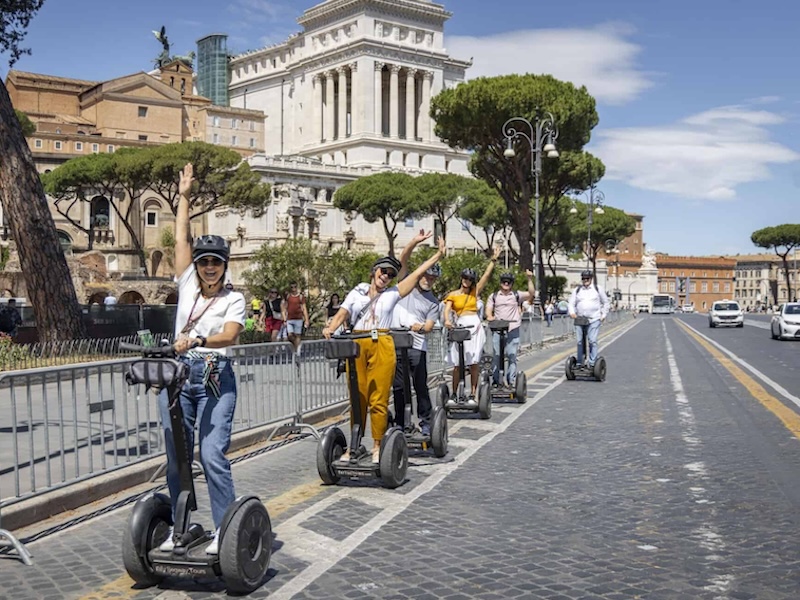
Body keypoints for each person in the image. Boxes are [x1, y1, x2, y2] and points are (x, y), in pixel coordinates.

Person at [158, 162, 246, 555]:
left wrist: (196, 338)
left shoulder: (234, 298)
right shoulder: (189, 284)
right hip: (178, 376)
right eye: (203, 261)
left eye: (215, 261)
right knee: (176, 455)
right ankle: (181, 525)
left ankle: (224, 529)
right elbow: (181, 239)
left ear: (225, 266)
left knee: (211, 454)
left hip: (213, 374)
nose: (208, 266)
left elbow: (229, 335)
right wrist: (185, 196)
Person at [323, 236, 446, 463]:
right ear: (374, 271)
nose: (386, 277)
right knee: (357, 399)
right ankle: (354, 446)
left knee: (378, 400)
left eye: (390, 274)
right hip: (357, 345)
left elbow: (417, 274)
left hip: (382, 342)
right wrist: (330, 327)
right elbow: (343, 313)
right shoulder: (357, 293)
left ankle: (378, 446)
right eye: (383, 272)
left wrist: (437, 255)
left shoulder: (393, 294)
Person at [391, 230, 441, 435]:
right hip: (396, 343)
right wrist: (414, 241)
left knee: (420, 386)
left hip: (417, 346)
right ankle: (401, 423)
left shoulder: (433, 302)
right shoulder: (406, 286)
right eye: (426, 276)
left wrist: (418, 327)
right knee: (399, 388)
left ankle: (426, 422)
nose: (428, 280)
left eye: (432, 278)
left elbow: (429, 326)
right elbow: (402, 259)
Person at [442, 246, 501, 400]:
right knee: (457, 363)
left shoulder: (475, 293)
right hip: (460, 325)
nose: (467, 281)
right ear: (461, 279)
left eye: (469, 279)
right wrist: (447, 320)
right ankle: (454, 393)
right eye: (465, 278)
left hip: (474, 325)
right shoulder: (453, 295)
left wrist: (493, 260)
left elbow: (486, 276)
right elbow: (447, 310)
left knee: (474, 362)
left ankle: (473, 393)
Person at [485, 270, 535, 387]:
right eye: (504, 282)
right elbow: (488, 309)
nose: (506, 284)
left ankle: (511, 380)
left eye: (508, 282)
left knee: (512, 356)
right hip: (498, 329)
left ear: (512, 283)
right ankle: (496, 381)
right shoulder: (494, 296)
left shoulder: (516, 295)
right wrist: (489, 316)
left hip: (513, 328)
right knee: (497, 356)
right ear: (500, 283)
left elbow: (531, 294)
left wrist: (529, 279)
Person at [567, 269, 609, 368]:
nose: (585, 280)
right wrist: (572, 312)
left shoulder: (597, 289)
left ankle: (592, 362)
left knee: (592, 340)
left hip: (593, 319)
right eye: (583, 279)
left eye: (587, 278)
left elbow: (606, 303)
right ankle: (580, 362)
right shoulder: (577, 290)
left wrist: (603, 315)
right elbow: (571, 303)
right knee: (579, 341)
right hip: (580, 319)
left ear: (591, 279)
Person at [282, 281, 309, 355]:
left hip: (298, 318)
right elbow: (284, 307)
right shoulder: (288, 296)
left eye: (295, 287)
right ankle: (295, 346)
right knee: (290, 335)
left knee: (297, 335)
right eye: (292, 287)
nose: (293, 289)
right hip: (289, 319)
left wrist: (307, 320)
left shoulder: (300, 297)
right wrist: (284, 317)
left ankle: (297, 352)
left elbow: (304, 308)